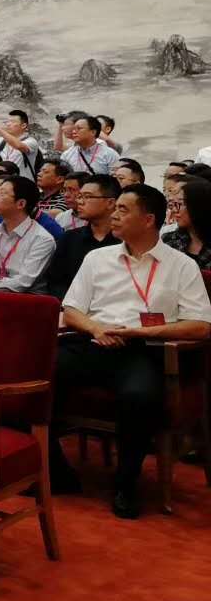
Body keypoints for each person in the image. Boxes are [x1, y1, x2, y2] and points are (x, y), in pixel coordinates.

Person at [50, 184, 211, 518]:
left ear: (148, 219)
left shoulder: (181, 265)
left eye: (123, 209)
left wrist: (140, 331)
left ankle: (126, 484)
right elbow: (72, 309)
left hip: (144, 348)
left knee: (138, 395)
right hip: (93, 341)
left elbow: (200, 325)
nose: (114, 215)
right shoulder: (97, 258)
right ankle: (54, 469)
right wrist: (96, 328)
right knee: (37, 372)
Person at [45, 175, 121, 299]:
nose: (80, 202)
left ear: (110, 203)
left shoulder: (125, 241)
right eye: (80, 196)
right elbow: (55, 282)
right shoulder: (69, 238)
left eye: (87, 197)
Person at [0, 176, 56, 293]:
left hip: (25, 299)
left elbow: (22, 283)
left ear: (21, 204)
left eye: (2, 193)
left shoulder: (42, 239)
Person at [161, 175, 211, 268]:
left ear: (199, 205)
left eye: (179, 204)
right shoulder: (169, 240)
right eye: (172, 205)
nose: (174, 210)